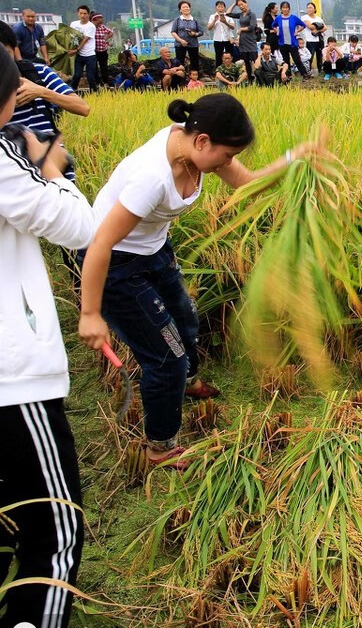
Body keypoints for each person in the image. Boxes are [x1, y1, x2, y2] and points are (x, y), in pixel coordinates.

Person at [78, 96, 312, 470]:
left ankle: (183, 384)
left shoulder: (194, 147)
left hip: (155, 250)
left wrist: (293, 159)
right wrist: (90, 312)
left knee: (185, 320)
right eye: (225, 156)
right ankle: (161, 446)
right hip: (115, 266)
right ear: (202, 141)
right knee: (166, 357)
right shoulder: (151, 178)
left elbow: (248, 183)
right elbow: (100, 243)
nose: (227, 164)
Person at [0, 47, 96, 628]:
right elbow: (79, 227)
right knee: (55, 525)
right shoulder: (5, 165)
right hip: (13, 380)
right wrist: (49, 167)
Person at [0, 21, 91, 180]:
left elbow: (83, 108)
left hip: (54, 166)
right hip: (13, 176)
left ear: (14, 51)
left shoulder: (38, 73)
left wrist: (41, 91)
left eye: (5, 54)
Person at [272, 2, 310, 80]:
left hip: (292, 43)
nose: (285, 9)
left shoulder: (293, 18)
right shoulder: (278, 18)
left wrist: (297, 31)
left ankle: (304, 74)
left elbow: (303, 25)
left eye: (286, 8)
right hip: (282, 43)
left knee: (297, 59)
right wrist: (277, 31)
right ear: (281, 9)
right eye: (283, 7)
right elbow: (273, 25)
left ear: (289, 9)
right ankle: (288, 75)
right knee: (286, 61)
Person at [68, 5, 99, 92]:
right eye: (81, 13)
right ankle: (71, 91)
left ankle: (95, 93)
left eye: (85, 13)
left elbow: (85, 39)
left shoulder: (91, 26)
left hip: (90, 55)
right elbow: (69, 37)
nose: (83, 15)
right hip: (79, 56)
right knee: (77, 75)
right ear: (78, 14)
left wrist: (76, 50)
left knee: (90, 77)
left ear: (88, 15)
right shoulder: (74, 24)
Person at [170, 1, 204, 74]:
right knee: (179, 62)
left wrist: (195, 34)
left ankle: (195, 79)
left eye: (187, 7)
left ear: (190, 8)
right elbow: (173, 32)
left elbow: (201, 32)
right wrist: (181, 41)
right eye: (183, 7)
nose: (186, 8)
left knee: (194, 62)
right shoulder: (177, 20)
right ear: (180, 10)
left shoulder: (194, 20)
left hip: (193, 44)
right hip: (180, 44)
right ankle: (180, 78)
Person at [208, 1, 237, 66]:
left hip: (228, 39)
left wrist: (225, 22)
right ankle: (219, 72)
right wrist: (214, 20)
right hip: (217, 39)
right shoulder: (212, 16)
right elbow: (209, 28)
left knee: (230, 55)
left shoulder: (228, 16)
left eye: (222, 7)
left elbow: (233, 27)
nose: (220, 8)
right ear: (216, 8)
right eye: (218, 7)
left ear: (224, 8)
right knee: (218, 56)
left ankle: (231, 70)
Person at [301, 2, 326, 75]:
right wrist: (319, 25)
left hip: (319, 39)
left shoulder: (319, 18)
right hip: (310, 40)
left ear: (314, 9)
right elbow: (309, 26)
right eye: (308, 7)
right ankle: (308, 71)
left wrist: (317, 30)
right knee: (310, 56)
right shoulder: (305, 17)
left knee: (319, 56)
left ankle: (320, 71)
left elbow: (325, 27)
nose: (309, 9)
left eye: (310, 7)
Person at [90, 13, 114, 87]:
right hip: (94, 51)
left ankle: (105, 82)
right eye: (100, 18)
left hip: (103, 50)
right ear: (95, 20)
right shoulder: (91, 28)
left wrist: (105, 38)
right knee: (94, 68)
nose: (102, 20)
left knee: (104, 67)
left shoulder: (102, 27)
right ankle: (97, 82)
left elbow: (111, 32)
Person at [232, 0, 258, 65]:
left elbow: (252, 26)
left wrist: (241, 29)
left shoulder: (251, 14)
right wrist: (234, 4)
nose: (241, 6)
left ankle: (256, 75)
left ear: (246, 3)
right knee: (246, 62)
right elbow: (228, 14)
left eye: (242, 4)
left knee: (254, 60)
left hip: (250, 40)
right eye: (239, 5)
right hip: (243, 40)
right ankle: (249, 75)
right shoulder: (240, 15)